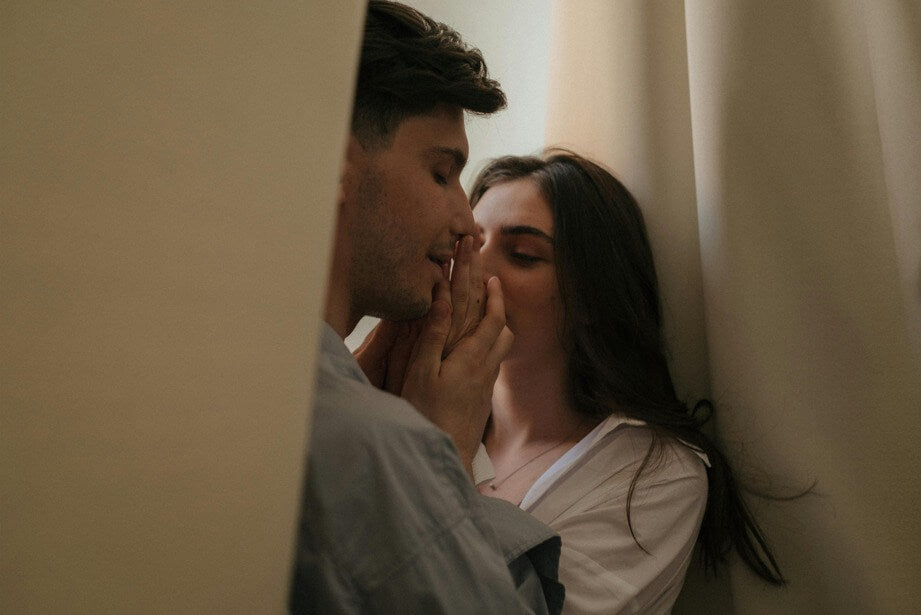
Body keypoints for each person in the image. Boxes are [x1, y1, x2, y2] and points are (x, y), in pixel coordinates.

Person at [289, 3, 564, 614]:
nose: (466, 227)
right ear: (336, 163)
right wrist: (440, 453)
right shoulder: (376, 448)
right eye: (442, 174)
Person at [469, 150, 784, 614]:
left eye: (522, 255)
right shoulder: (402, 411)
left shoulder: (654, 475)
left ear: (591, 295)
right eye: (466, 244)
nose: (475, 272)